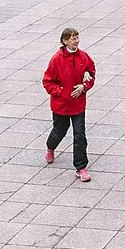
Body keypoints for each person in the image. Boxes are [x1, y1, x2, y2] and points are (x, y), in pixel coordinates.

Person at [42, 27, 95, 181]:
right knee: (59, 131)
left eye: (77, 37)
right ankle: (51, 147)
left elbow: (91, 73)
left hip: (78, 104)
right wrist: (61, 91)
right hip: (61, 106)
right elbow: (47, 81)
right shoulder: (56, 59)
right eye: (73, 38)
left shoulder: (84, 57)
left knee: (80, 136)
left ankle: (81, 167)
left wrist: (84, 87)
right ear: (65, 41)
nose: (76, 41)